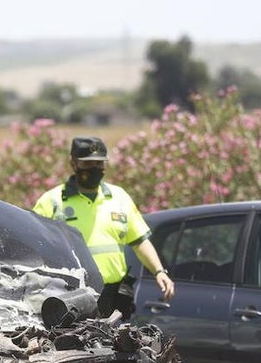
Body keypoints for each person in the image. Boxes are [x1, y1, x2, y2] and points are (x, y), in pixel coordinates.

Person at [32, 136, 173, 318]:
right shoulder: (52, 201)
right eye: (88, 164)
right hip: (72, 295)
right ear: (73, 164)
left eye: (99, 164)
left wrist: (159, 271)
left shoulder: (119, 197)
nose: (95, 169)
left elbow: (139, 241)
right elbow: (34, 247)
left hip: (113, 296)